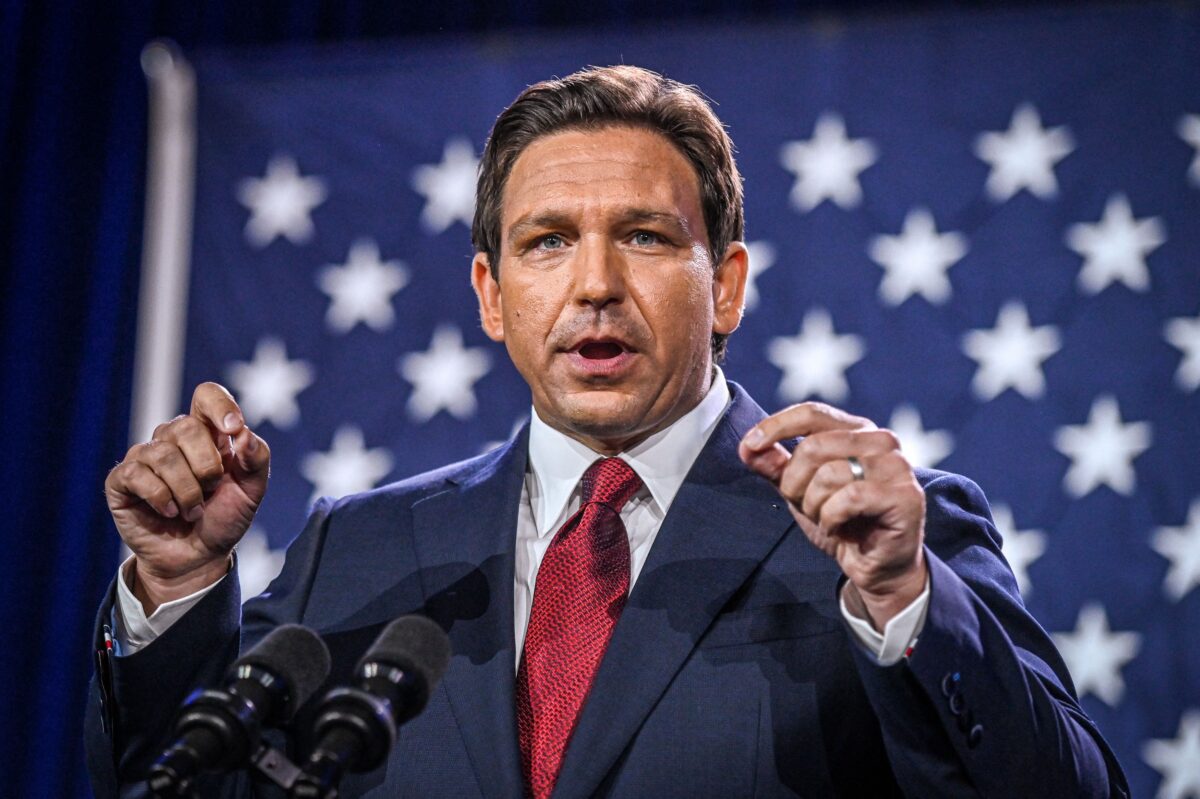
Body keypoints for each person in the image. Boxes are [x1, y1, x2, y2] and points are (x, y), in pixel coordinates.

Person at [87, 65, 1129, 797]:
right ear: (493, 296)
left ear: (723, 286)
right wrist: (178, 589)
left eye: (642, 235)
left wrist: (906, 599)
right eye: (547, 242)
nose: (594, 284)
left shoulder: (886, 538)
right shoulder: (353, 551)